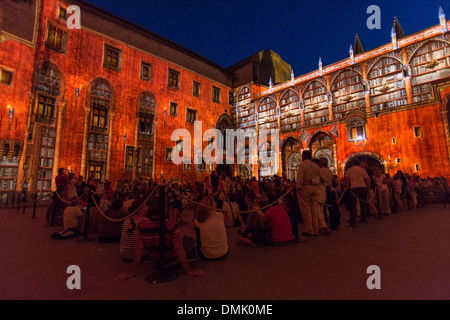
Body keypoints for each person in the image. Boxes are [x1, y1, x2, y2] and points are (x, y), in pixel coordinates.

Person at [115, 197, 205, 280]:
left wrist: (132, 271)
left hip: (156, 262)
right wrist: (189, 270)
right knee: (189, 241)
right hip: (171, 262)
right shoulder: (171, 225)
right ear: (165, 209)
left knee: (183, 240)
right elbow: (179, 249)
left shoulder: (142, 224)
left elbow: (139, 249)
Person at [296, 150, 325, 236]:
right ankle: (316, 230)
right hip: (315, 189)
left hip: (305, 188)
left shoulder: (302, 166)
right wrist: (316, 181)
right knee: (314, 209)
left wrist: (298, 188)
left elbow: (299, 179)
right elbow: (322, 178)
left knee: (306, 210)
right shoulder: (315, 166)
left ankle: (309, 230)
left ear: (303, 157)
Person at [191, 196, 229, 260]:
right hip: (224, 253)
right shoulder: (220, 215)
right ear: (211, 205)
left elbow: (191, 227)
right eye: (214, 201)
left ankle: (199, 245)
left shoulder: (200, 219)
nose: (216, 202)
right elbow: (225, 218)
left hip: (207, 256)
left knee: (197, 229)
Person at [344, 158, 370, 227]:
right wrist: (368, 188)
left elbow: (346, 178)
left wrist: (347, 186)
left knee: (353, 205)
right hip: (362, 187)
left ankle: (353, 220)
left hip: (354, 187)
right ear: (359, 163)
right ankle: (364, 218)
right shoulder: (362, 170)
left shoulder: (350, 170)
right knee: (363, 204)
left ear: (352, 163)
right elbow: (367, 180)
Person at [320, 158, 340, 230]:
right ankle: (334, 224)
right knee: (331, 207)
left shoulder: (320, 170)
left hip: (323, 189)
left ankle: (324, 224)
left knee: (323, 208)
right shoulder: (329, 171)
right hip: (330, 189)